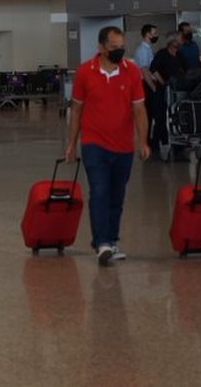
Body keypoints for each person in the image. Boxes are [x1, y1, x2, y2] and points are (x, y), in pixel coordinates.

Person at [64, 25, 150, 266]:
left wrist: (143, 141)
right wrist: (72, 143)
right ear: (101, 47)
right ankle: (101, 242)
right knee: (100, 191)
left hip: (123, 146)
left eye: (122, 47)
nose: (119, 51)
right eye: (114, 47)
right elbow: (77, 109)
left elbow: (139, 109)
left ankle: (111, 240)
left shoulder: (132, 72)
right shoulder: (85, 72)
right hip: (94, 143)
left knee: (117, 196)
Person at [149, 33, 187, 156]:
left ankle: (178, 146)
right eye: (178, 40)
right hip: (163, 90)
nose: (180, 43)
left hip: (176, 90)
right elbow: (153, 69)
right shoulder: (162, 54)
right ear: (172, 42)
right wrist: (163, 83)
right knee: (161, 118)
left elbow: (185, 69)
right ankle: (157, 144)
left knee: (177, 117)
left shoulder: (179, 55)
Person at [134, 24, 159, 149]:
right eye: (154, 33)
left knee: (151, 114)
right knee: (149, 113)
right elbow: (145, 70)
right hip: (146, 84)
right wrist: (153, 87)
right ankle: (147, 141)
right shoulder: (143, 50)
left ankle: (150, 140)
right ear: (147, 34)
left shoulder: (148, 49)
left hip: (148, 83)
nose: (156, 35)